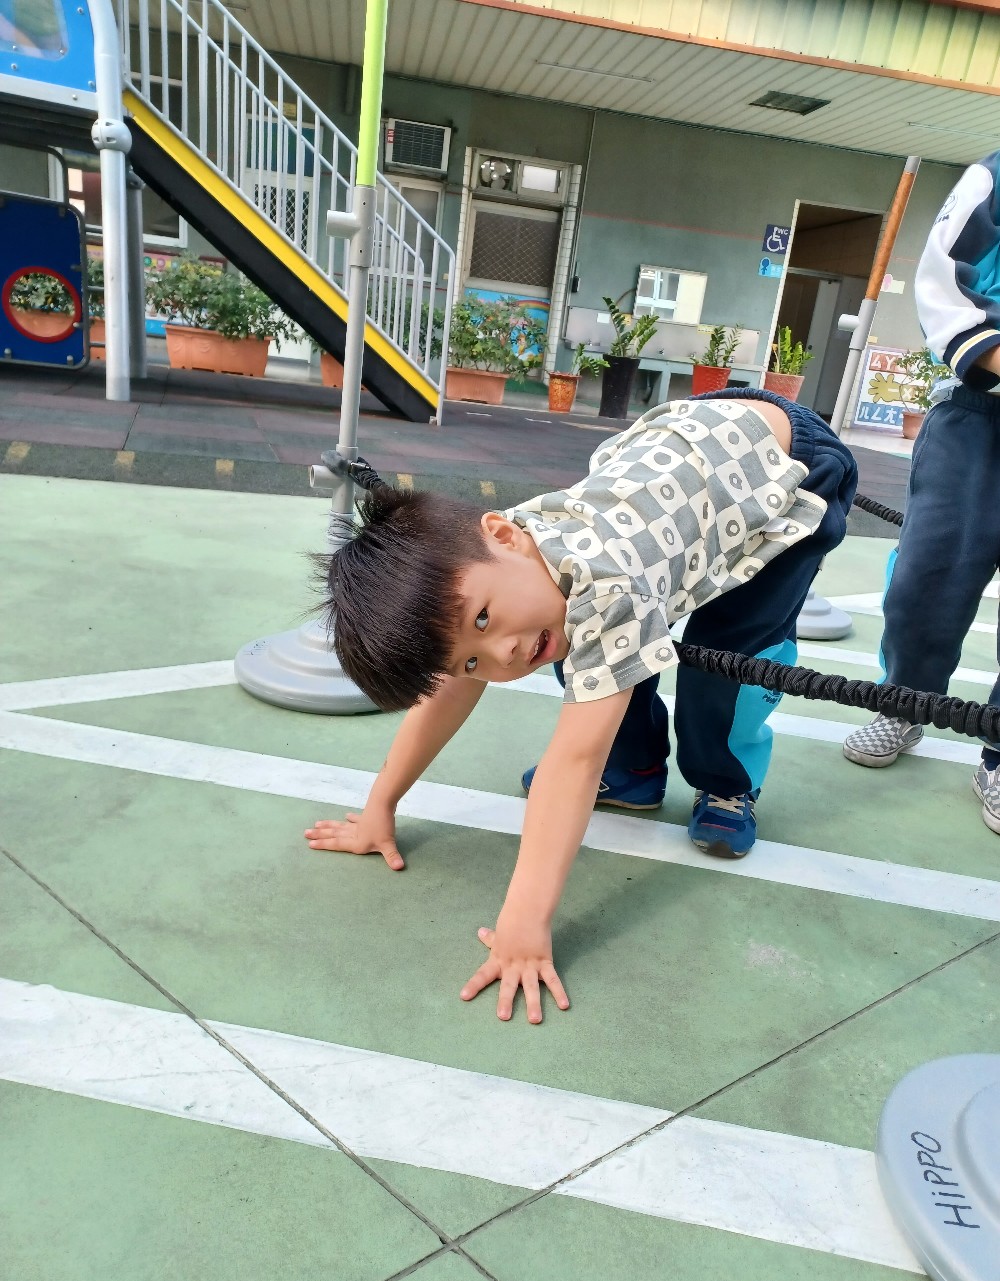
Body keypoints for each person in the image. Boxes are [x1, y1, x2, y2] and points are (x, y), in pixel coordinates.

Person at [306, 388, 856, 1022]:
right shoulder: (498, 563)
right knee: (578, 647)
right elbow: (446, 689)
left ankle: (727, 786)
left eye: (483, 619)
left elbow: (572, 762)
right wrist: (381, 803)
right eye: (474, 659)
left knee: (727, 660)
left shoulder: (607, 584)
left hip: (788, 466)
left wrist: (522, 925)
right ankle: (638, 771)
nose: (503, 652)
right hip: (691, 457)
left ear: (504, 534)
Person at [842, 151, 1000, 836]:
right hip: (980, 414)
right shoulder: (997, 176)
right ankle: (906, 703)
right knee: (926, 580)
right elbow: (946, 276)